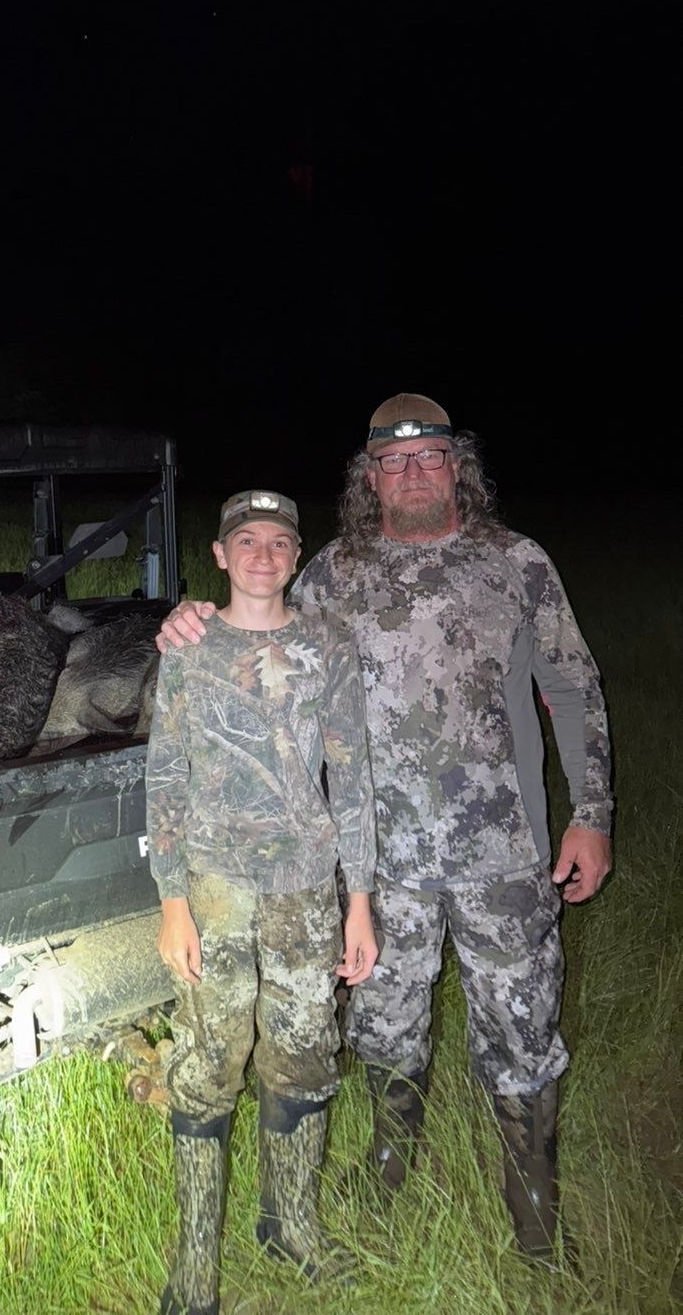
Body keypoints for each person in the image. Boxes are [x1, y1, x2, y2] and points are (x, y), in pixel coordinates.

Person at [158, 396, 612, 1263]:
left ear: (457, 467)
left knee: (520, 1029)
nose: (413, 473)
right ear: (371, 477)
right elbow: (253, 630)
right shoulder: (331, 573)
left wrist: (591, 816)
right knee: (385, 1026)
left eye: (431, 457)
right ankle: (391, 1161)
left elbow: (572, 686)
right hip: (377, 867)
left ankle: (535, 1214)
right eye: (393, 462)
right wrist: (185, 621)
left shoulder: (516, 564)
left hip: (504, 855)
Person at [147, 488, 377, 1315]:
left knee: (306, 1055)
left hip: (309, 891)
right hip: (213, 890)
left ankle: (291, 1228)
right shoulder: (189, 647)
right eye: (246, 539)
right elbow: (165, 775)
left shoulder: (327, 644)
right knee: (207, 1064)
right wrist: (172, 900)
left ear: (295, 556)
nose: (263, 554)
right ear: (219, 554)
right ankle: (196, 1265)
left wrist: (361, 900)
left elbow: (350, 778)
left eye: (280, 541)